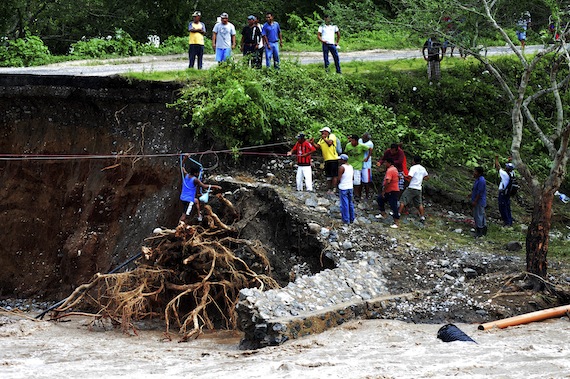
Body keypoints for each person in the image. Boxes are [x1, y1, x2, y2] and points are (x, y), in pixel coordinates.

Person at [179, 155, 222, 223]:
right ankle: (179, 227)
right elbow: (204, 186)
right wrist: (215, 186)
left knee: (196, 201)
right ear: (196, 173)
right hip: (188, 200)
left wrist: (185, 158)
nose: (199, 173)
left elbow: (182, 166)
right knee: (185, 215)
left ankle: (199, 216)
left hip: (183, 197)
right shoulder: (195, 180)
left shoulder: (186, 175)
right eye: (198, 172)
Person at [398, 155, 429, 223]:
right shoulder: (423, 168)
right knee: (419, 204)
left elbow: (409, 178)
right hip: (418, 188)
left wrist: (404, 175)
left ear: (414, 161)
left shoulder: (413, 168)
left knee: (403, 200)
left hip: (412, 187)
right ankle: (422, 217)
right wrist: (420, 178)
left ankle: (398, 214)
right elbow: (427, 177)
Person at [310, 127, 340, 193]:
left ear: (327, 132)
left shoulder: (331, 136)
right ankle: (329, 188)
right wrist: (312, 143)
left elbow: (330, 143)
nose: (322, 133)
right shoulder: (321, 139)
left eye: (323, 132)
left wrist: (324, 138)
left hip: (333, 159)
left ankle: (334, 188)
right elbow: (318, 146)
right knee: (328, 175)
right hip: (326, 159)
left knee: (334, 175)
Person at [377, 157, 400, 229]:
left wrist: (384, 190)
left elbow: (388, 181)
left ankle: (396, 222)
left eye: (386, 162)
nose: (385, 164)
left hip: (391, 190)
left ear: (389, 163)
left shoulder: (390, 170)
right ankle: (383, 214)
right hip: (393, 189)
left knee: (393, 205)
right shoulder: (395, 169)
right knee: (380, 199)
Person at [344, 134, 369, 200]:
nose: (352, 142)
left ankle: (357, 195)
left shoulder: (361, 146)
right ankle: (348, 193)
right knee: (348, 179)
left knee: (357, 182)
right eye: (351, 141)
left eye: (353, 141)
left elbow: (370, 149)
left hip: (358, 166)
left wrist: (367, 158)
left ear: (356, 141)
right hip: (349, 164)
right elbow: (346, 153)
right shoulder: (348, 145)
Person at [495, 155, 515, 227]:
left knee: (502, 208)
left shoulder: (504, 174)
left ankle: (507, 222)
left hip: (503, 193)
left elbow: (498, 167)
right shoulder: (512, 174)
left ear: (507, 169)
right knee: (507, 207)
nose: (505, 167)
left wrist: (496, 159)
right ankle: (509, 221)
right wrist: (509, 161)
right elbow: (509, 167)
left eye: (506, 167)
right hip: (507, 193)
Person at [337, 154, 355, 224]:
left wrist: (337, 185)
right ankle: (352, 218)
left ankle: (346, 219)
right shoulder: (350, 167)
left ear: (342, 160)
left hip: (343, 187)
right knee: (350, 203)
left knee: (344, 204)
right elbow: (352, 177)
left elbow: (339, 178)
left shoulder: (342, 167)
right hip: (350, 186)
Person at [471, 166, 487, 237]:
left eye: (475, 172)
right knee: (480, 214)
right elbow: (475, 189)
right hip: (477, 200)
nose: (474, 173)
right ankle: (482, 229)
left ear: (479, 173)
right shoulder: (477, 179)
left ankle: (479, 231)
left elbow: (479, 192)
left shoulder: (481, 181)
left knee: (478, 215)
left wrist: (475, 201)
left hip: (479, 201)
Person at [358, 132, 374, 199]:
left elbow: (362, 148)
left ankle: (367, 195)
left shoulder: (370, 144)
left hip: (366, 165)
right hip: (359, 163)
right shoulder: (360, 140)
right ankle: (359, 195)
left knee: (366, 181)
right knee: (359, 181)